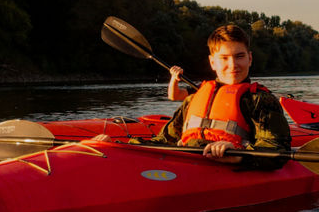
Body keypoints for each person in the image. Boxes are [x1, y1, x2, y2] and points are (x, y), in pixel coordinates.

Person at [97, 24, 291, 166]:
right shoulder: (194, 98)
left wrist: (239, 156)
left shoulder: (259, 100)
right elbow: (165, 141)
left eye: (239, 56)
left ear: (249, 58)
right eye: (224, 58)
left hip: (228, 168)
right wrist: (116, 145)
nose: (233, 65)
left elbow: (277, 149)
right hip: (188, 163)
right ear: (212, 62)